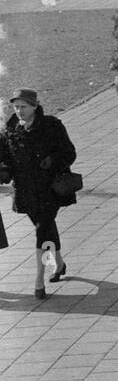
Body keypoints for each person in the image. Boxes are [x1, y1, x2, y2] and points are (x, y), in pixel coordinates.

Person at [0, 87, 78, 300]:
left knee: (42, 230)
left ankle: (39, 281)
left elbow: (69, 153)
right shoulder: (10, 130)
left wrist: (52, 160)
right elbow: (5, 159)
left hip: (49, 189)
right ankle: (59, 264)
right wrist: (4, 171)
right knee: (46, 229)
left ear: (35, 106)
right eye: (16, 107)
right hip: (26, 192)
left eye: (23, 107)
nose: (19, 111)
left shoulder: (52, 126)